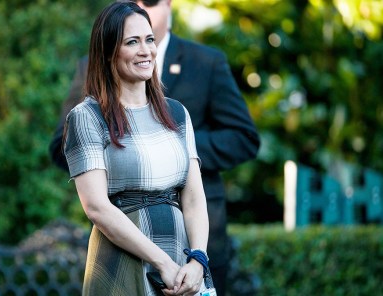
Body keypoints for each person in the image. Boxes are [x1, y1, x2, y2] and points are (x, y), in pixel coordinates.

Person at [50, 1, 260, 294]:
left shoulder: (177, 113)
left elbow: (194, 196)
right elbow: (96, 207)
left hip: (184, 261)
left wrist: (198, 259)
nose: (146, 50)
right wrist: (162, 262)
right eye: (132, 42)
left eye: (149, 40)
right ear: (109, 52)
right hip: (123, 259)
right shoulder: (86, 116)